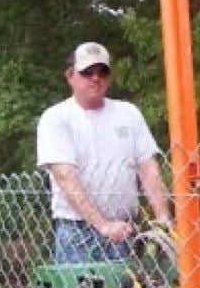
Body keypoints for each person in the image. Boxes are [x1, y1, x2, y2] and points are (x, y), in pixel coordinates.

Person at [37, 41, 172, 263]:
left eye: (102, 71)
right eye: (87, 72)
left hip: (126, 231)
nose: (96, 77)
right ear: (70, 76)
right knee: (83, 287)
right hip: (78, 234)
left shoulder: (129, 113)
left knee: (131, 286)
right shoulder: (56, 118)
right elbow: (64, 176)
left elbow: (148, 168)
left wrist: (162, 217)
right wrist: (103, 225)